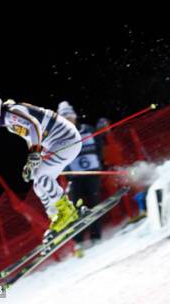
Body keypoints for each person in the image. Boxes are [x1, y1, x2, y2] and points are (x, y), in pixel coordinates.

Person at [0, 93, 82, 237]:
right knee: (38, 183)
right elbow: (30, 135)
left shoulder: (11, 112)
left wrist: (36, 153)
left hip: (66, 140)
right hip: (57, 143)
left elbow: (34, 124)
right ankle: (56, 217)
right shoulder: (9, 122)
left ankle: (67, 212)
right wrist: (31, 163)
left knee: (42, 176)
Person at [57, 101, 103, 251]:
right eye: (64, 119)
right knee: (76, 208)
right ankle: (79, 240)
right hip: (75, 177)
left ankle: (96, 236)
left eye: (69, 117)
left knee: (94, 204)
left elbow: (99, 146)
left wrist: (99, 163)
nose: (68, 121)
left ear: (74, 117)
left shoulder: (88, 129)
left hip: (92, 173)